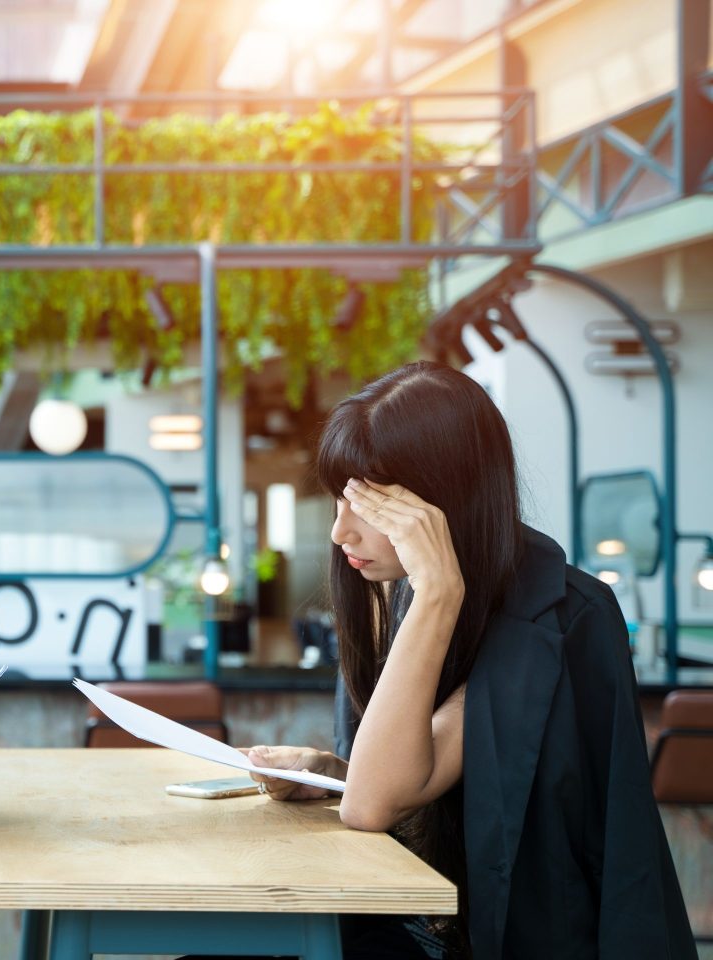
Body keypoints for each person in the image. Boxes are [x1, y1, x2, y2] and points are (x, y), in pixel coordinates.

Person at [245, 362, 694, 959]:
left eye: (370, 504)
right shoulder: (399, 592)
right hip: (412, 920)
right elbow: (428, 786)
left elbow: (381, 805)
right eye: (338, 501)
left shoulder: (558, 614)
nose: (340, 532)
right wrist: (332, 773)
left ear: (441, 499)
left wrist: (438, 592)